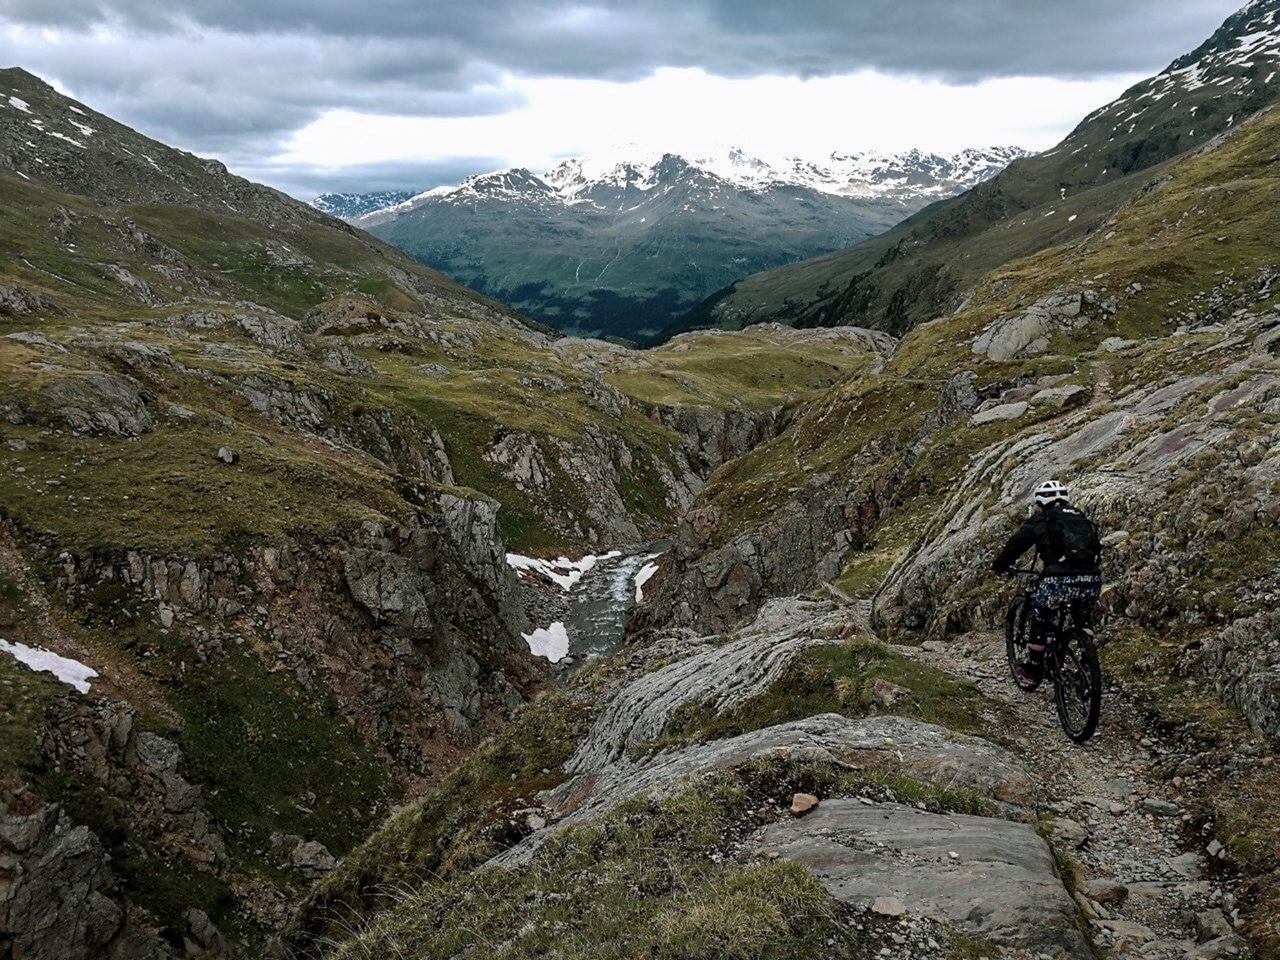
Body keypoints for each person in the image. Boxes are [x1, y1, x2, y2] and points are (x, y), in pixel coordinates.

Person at [992, 479, 1102, 689]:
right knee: (1082, 618)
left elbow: (1016, 545)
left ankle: (1033, 671)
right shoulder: (1079, 518)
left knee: (1040, 618)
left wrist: (999, 565)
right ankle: (1087, 665)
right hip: (1091, 580)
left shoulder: (1039, 521)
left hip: (1058, 581)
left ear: (1040, 502)